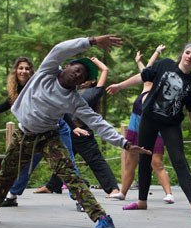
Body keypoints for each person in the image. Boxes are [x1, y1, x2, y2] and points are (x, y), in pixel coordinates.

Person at [0, 35, 150, 228]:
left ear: (82, 83)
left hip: (48, 137)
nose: (77, 75)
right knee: (6, 175)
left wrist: (124, 144)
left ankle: (103, 219)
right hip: (23, 135)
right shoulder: (47, 71)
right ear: (68, 66)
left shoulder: (74, 100)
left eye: (82, 76)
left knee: (70, 176)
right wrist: (93, 41)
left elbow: (97, 123)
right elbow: (60, 48)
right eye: (77, 69)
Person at [107, 42, 191, 216]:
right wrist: (119, 86)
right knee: (145, 157)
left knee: (179, 160)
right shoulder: (165, 65)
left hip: (171, 124)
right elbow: (143, 76)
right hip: (149, 119)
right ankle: (141, 202)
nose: (189, 57)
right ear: (182, 53)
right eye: (187, 52)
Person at [0, 57, 80, 207]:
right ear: (15, 71)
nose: (23, 71)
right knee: (26, 163)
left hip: (57, 128)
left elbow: (59, 106)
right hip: (35, 131)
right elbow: (5, 105)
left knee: (67, 162)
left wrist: (74, 126)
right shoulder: (16, 90)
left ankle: (80, 199)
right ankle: (12, 196)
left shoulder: (38, 84)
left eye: (27, 68)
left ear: (31, 71)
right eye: (21, 68)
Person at [40, 57, 127, 207]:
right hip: (69, 131)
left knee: (95, 160)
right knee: (64, 160)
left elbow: (105, 71)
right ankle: (51, 186)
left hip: (83, 134)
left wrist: (97, 62)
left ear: (92, 81)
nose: (82, 77)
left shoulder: (93, 92)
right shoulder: (73, 92)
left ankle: (112, 188)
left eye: (86, 75)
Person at [119, 46, 176, 203]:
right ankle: (122, 192)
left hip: (154, 126)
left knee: (156, 161)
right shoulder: (147, 85)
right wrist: (147, 57)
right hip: (136, 123)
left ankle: (169, 193)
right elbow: (146, 71)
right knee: (131, 159)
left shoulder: (162, 93)